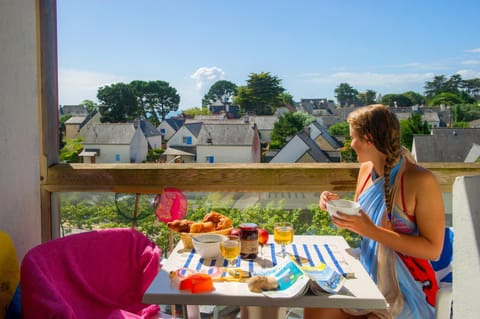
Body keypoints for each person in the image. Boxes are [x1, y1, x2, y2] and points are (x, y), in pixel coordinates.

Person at [304, 104, 445, 319]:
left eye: (353, 137)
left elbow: (433, 250)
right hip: (368, 274)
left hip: (406, 288)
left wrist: (371, 230)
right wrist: (335, 207)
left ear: (368, 139)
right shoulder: (366, 171)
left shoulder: (420, 180)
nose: (350, 144)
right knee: (316, 307)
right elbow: (362, 223)